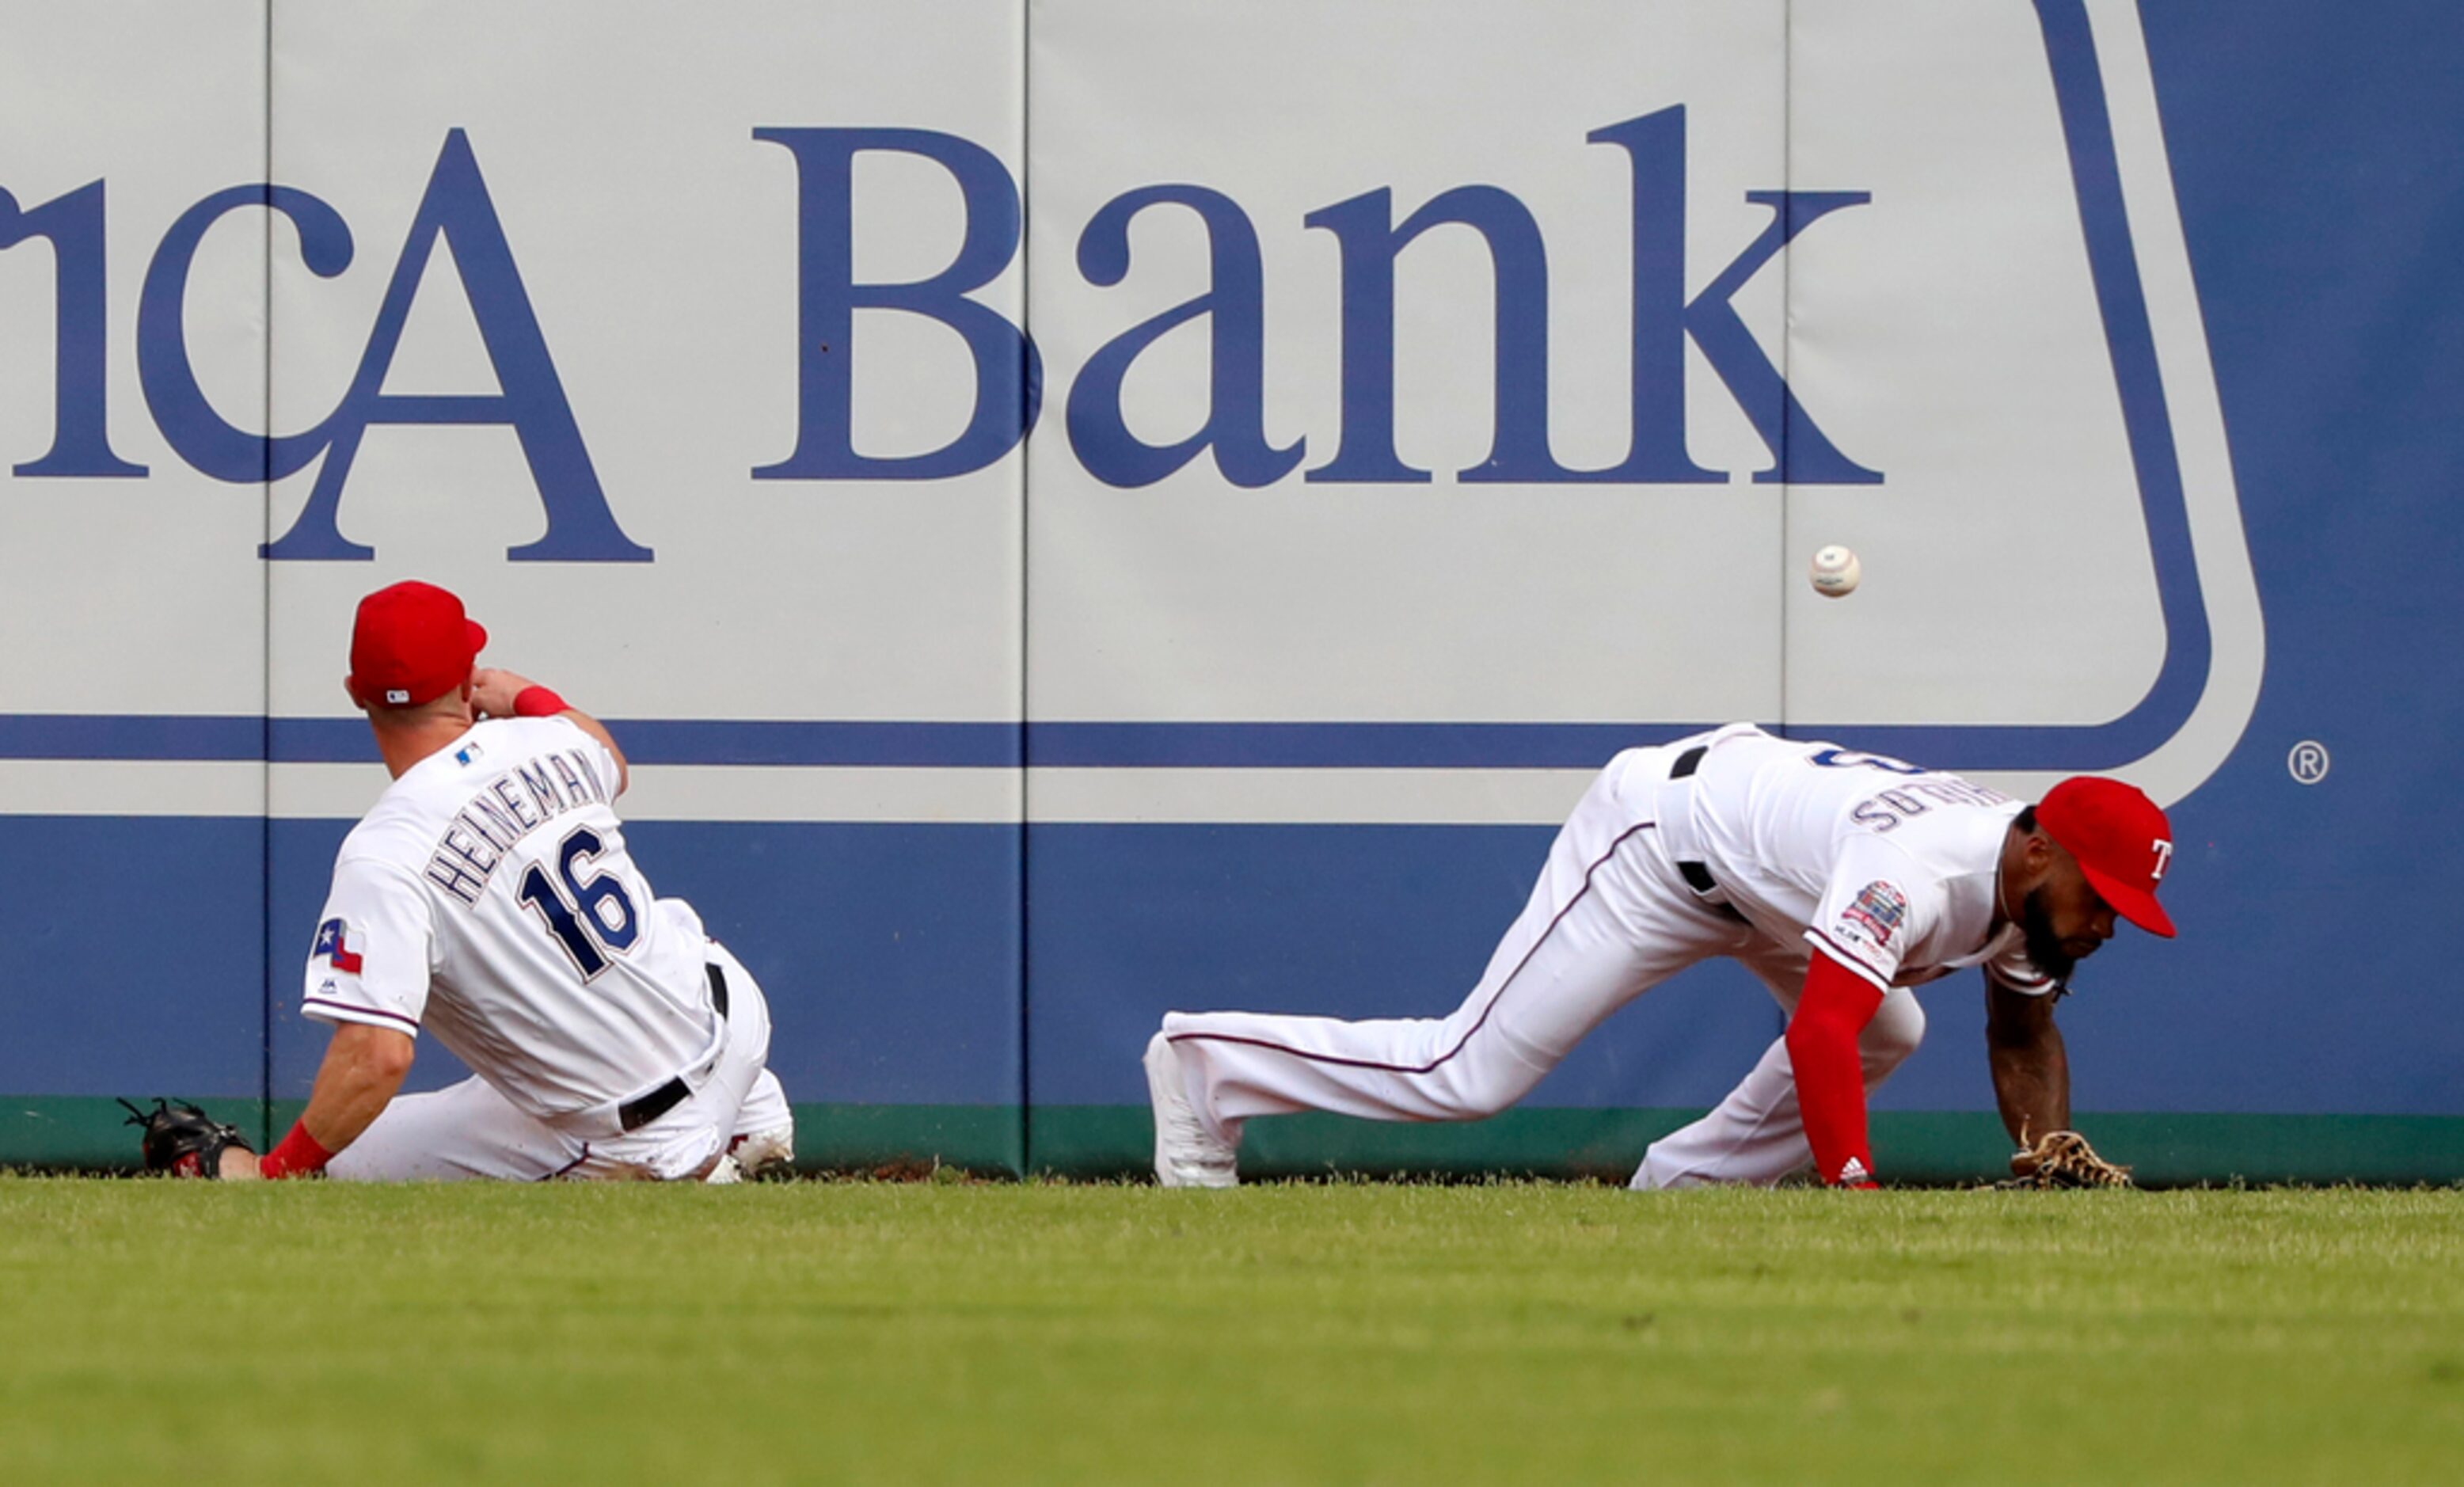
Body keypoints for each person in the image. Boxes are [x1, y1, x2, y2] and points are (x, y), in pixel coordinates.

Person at [1143, 722, 2177, 1188]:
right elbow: (1817, 1028)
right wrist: (1854, 1189)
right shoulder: (1916, 872)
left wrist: (2047, 1153)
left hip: (1774, 873)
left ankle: (1684, 1188)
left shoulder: (2034, 890)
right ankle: (1202, 1061)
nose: (2108, 921)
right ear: (2042, 847)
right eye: (2104, 894)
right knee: (1468, 1072)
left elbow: (2023, 1031)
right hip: (1663, 841)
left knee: (1891, 1025)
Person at [219, 580, 794, 1181]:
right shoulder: (547, 738)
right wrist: (524, 695)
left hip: (641, 1132)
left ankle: (707, 1167)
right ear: (469, 684)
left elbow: (378, 1056)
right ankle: (753, 1119)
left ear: (355, 695)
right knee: (658, 951)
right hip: (735, 1026)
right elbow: (609, 758)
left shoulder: (385, 855)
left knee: (344, 1165)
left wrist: (275, 1172)